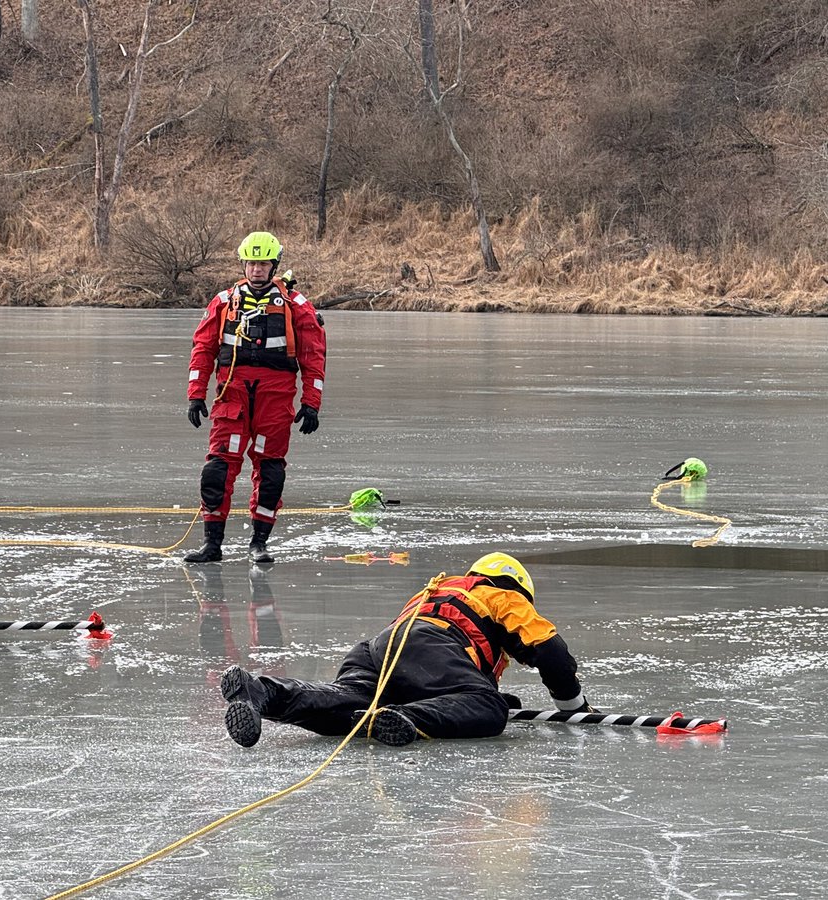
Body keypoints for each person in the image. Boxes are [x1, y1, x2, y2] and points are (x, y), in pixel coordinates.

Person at [219, 552, 597, 747]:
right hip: (433, 648)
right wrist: (574, 707)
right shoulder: (501, 596)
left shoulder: (441, 589)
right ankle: (407, 718)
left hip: (378, 650)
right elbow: (551, 652)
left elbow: (445, 676)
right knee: (489, 710)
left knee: (343, 703)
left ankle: (261, 691)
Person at [184, 231, 327, 565]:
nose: (257, 269)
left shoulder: (296, 305)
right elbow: (203, 349)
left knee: (271, 470)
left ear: (273, 265)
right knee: (217, 469)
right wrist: (195, 395)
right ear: (243, 265)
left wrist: (311, 403)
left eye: (263, 263)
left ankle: (259, 542)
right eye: (252, 263)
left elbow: (313, 356)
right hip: (231, 395)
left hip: (275, 400)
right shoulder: (222, 302)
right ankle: (212, 544)